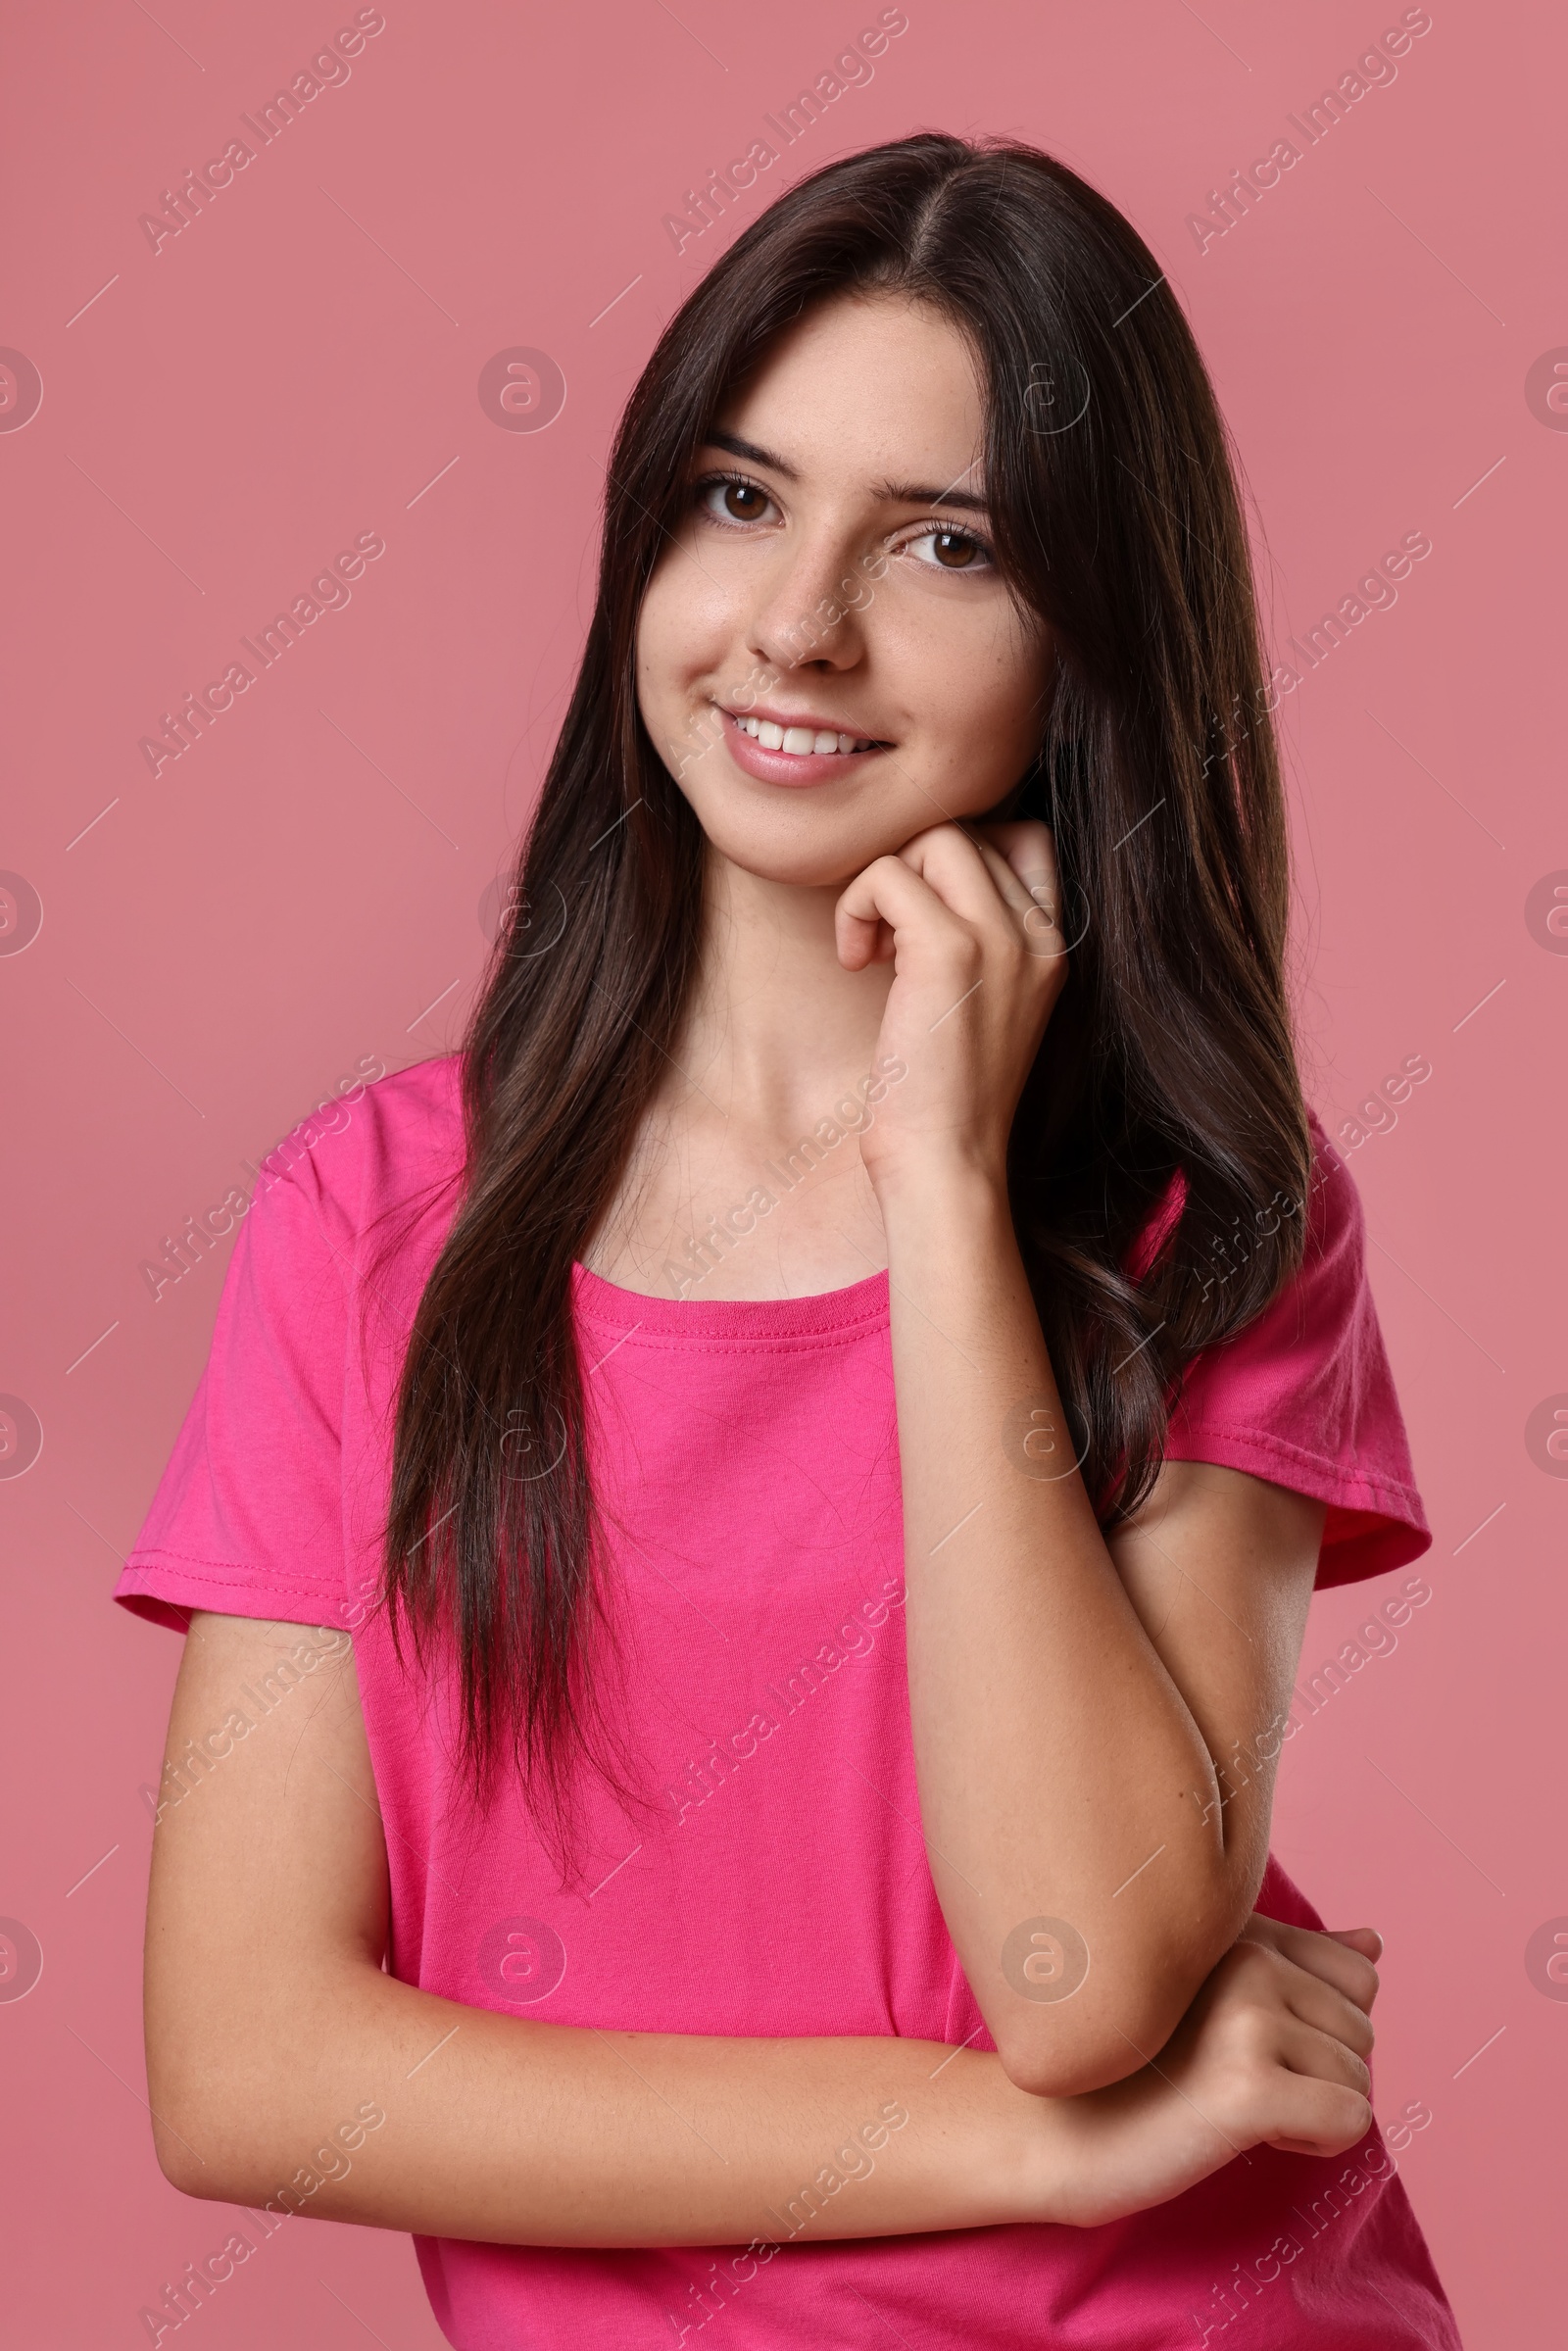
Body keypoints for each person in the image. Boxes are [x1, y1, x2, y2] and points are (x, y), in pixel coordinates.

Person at [119, 133, 1464, 2349]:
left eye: (944, 543)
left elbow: (1079, 1972)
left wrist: (936, 1187)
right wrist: (1041, 2158)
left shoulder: (1213, 1211)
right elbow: (253, 2074)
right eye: (737, 498)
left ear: (1091, 636)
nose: (797, 623)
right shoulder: (367, 1228)